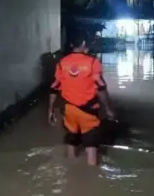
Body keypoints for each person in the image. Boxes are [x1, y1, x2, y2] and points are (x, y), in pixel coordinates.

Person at [48, 31, 114, 166]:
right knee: (91, 148)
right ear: (84, 44)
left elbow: (54, 87)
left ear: (72, 44)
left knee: (71, 141)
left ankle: (70, 172)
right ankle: (91, 179)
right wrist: (107, 108)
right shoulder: (93, 62)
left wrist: (50, 109)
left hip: (69, 111)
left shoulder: (62, 63)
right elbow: (100, 87)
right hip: (88, 112)